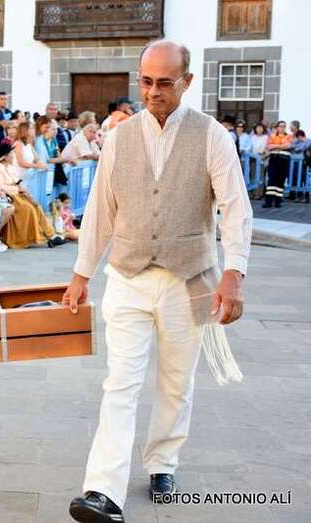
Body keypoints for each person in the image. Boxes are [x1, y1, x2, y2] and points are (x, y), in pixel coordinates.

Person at [64, 40, 252, 523]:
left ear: (187, 82)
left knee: (175, 382)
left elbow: (235, 206)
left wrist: (234, 273)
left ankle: (163, 461)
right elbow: (102, 211)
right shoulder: (120, 137)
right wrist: (82, 272)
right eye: (145, 81)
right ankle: (102, 491)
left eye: (164, 82)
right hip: (127, 277)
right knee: (119, 384)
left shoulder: (211, 136)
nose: (152, 91)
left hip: (189, 279)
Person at [0, 143, 57, 249]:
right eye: (11, 154)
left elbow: (18, 182)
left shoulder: (10, 167)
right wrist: (17, 189)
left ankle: (51, 235)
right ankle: (30, 238)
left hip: (18, 193)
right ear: (5, 156)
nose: (13, 155)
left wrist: (25, 191)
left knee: (35, 205)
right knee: (28, 209)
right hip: (8, 196)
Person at [13, 122, 49, 210]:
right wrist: (37, 166)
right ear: (25, 131)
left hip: (28, 178)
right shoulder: (18, 144)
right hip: (18, 177)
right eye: (31, 128)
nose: (34, 130)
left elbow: (37, 159)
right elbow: (21, 163)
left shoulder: (29, 145)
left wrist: (42, 164)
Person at [264, 120, 292, 208]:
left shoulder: (288, 136)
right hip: (274, 159)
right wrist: (281, 146)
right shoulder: (272, 136)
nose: (282, 128)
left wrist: (275, 146)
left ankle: (277, 201)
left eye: (284, 126)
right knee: (271, 179)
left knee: (281, 180)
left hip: (284, 160)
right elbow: (269, 147)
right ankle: (268, 201)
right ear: (277, 127)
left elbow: (288, 146)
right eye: (280, 126)